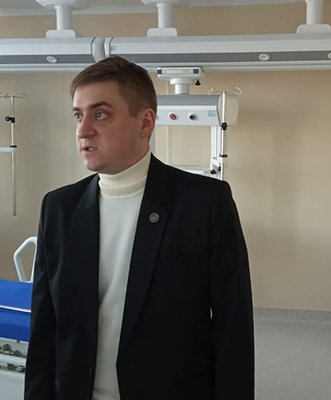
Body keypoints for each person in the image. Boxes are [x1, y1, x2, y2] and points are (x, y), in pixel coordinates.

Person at [25, 56, 254, 400]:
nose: (83, 130)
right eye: (78, 115)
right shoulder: (59, 208)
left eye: (101, 114)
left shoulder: (203, 204)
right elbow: (44, 327)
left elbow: (232, 326)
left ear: (145, 122)